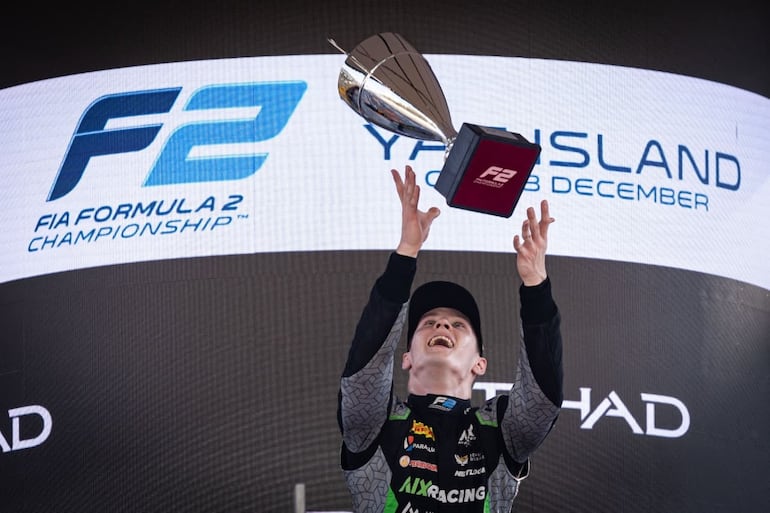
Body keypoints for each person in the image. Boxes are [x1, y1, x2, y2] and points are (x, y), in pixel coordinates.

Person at [337, 165, 563, 513]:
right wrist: (406, 253)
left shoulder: (499, 430)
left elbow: (541, 402)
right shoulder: (377, 422)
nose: (442, 326)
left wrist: (536, 286)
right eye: (428, 322)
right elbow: (363, 375)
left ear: (480, 363)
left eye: (458, 325)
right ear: (407, 356)